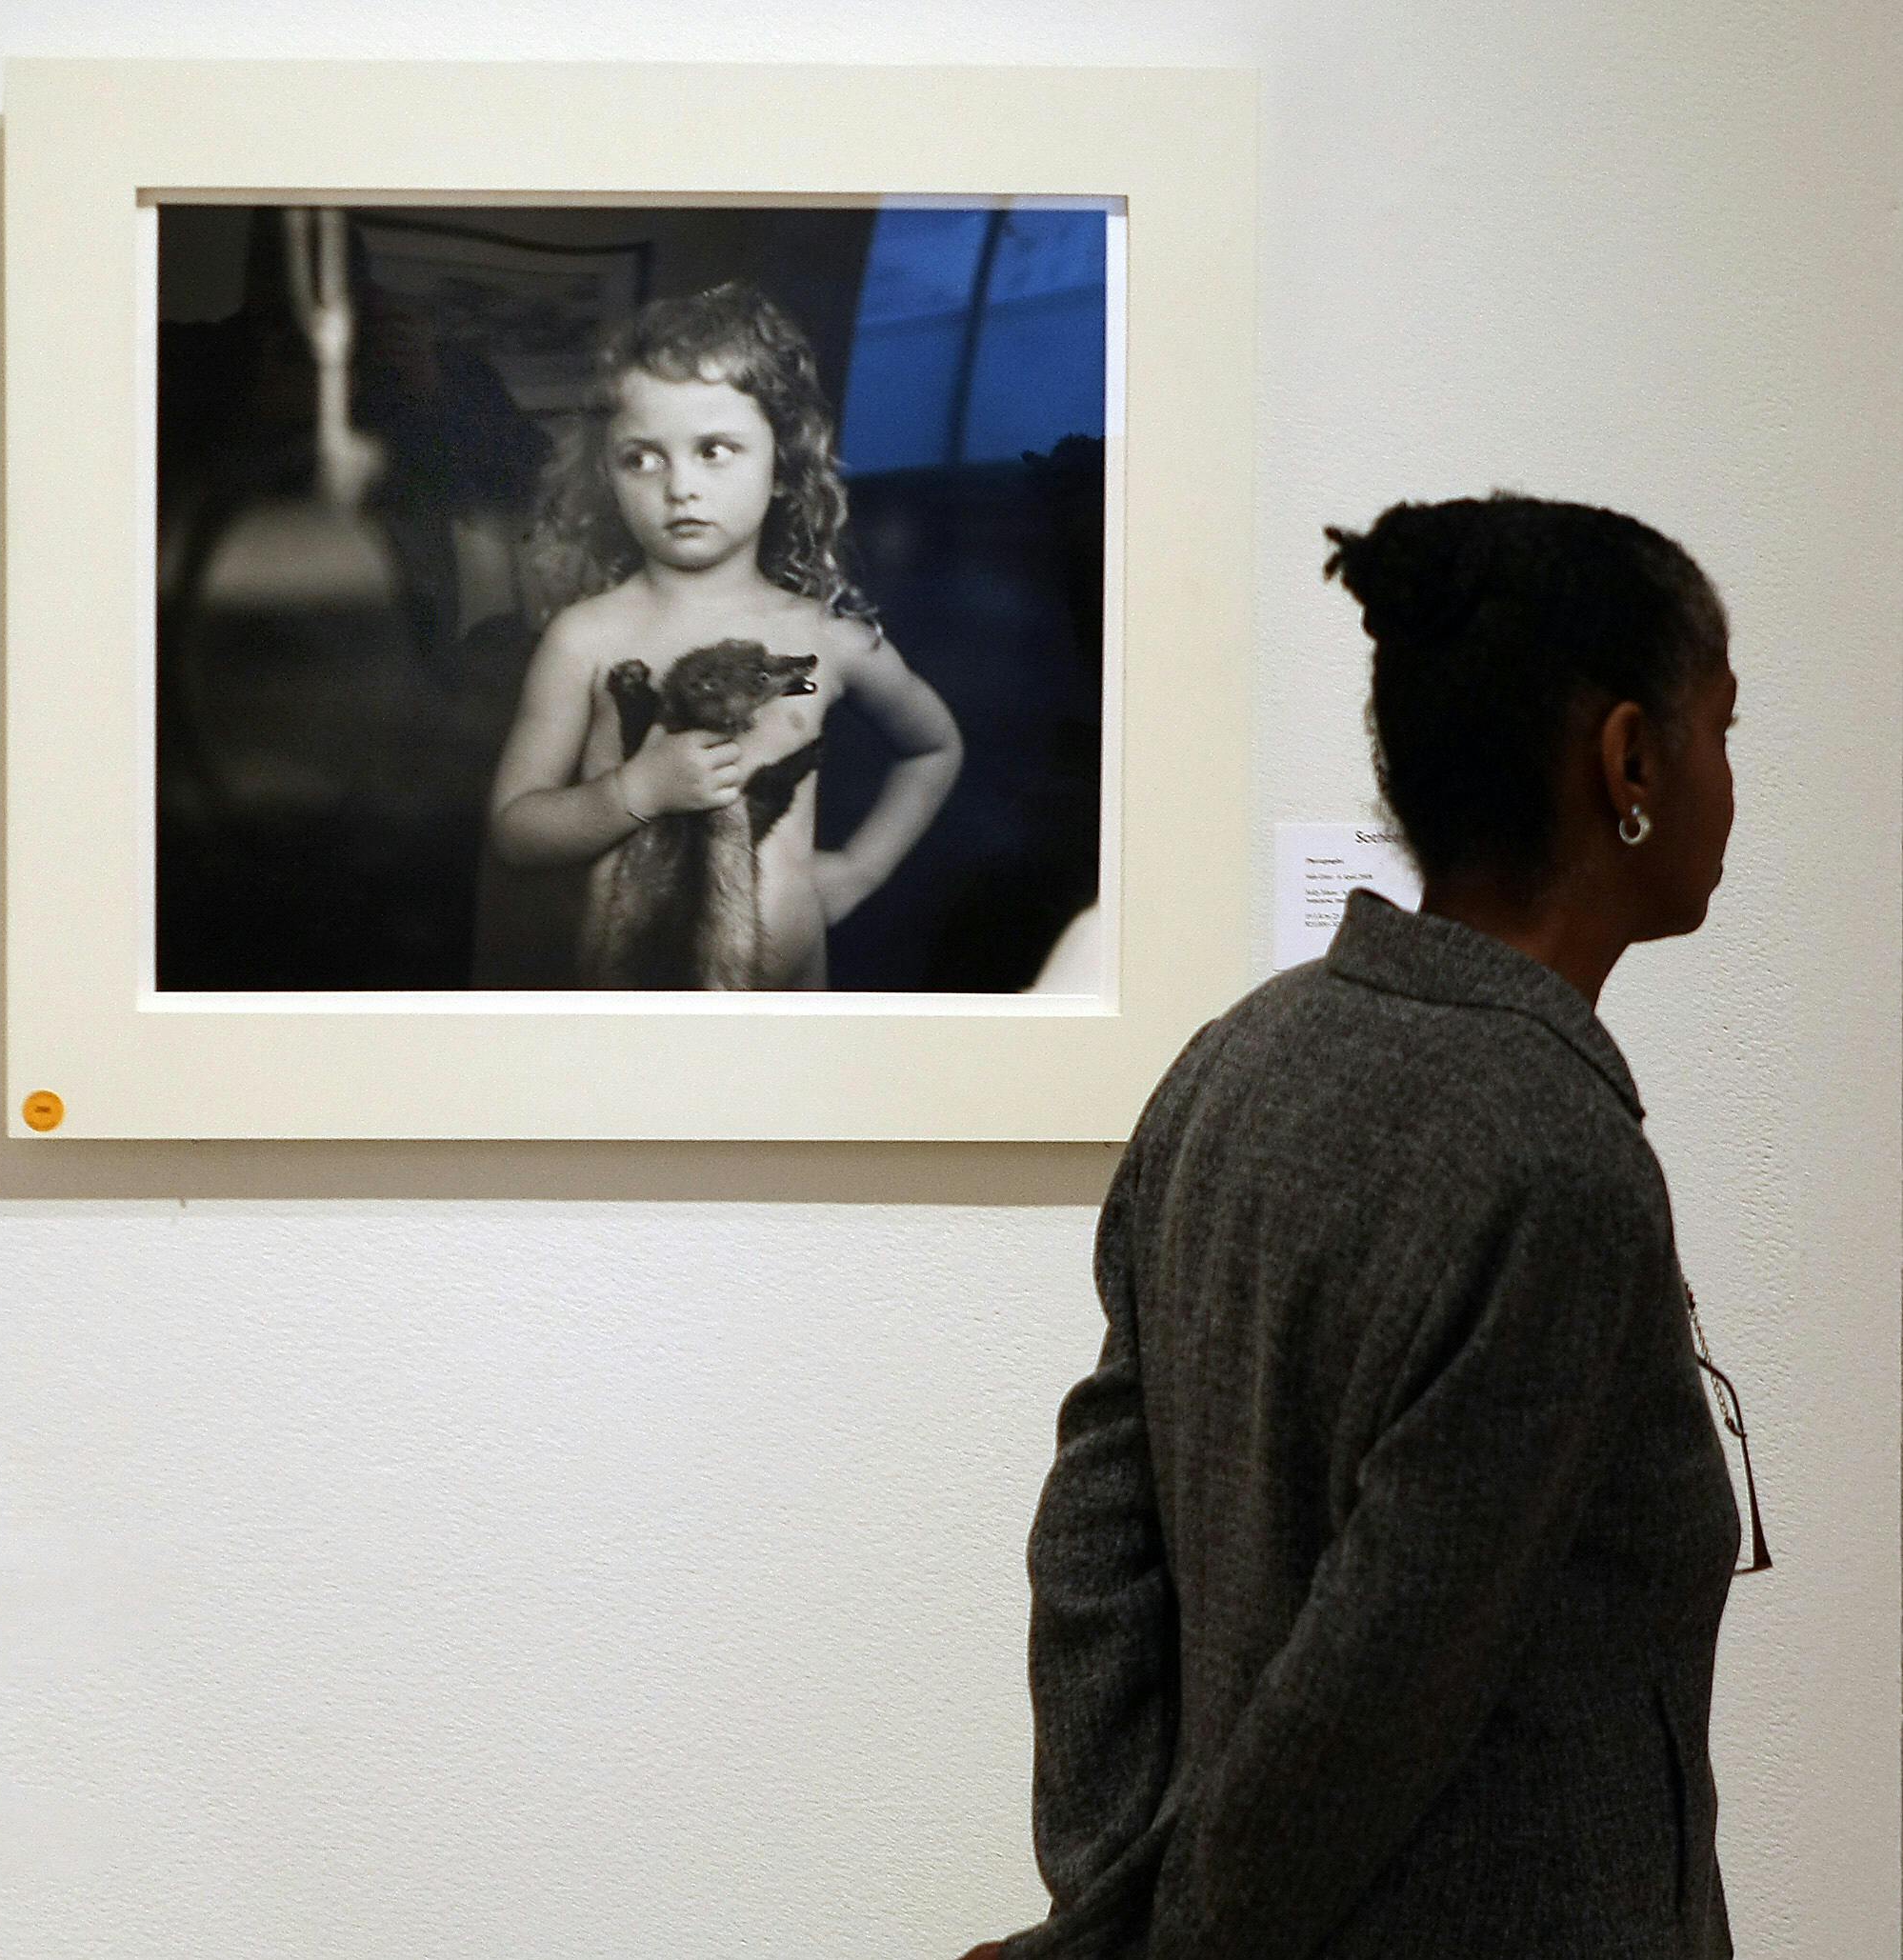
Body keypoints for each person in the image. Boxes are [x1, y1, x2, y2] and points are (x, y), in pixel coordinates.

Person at [968, 493, 1760, 1960]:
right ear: (1631, 762)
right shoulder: (1560, 1160)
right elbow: (1369, 1689)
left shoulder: (1233, 1062)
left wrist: (1104, 1901)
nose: (1731, 778)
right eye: (1720, 728)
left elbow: (1091, 1549)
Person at [485, 281, 963, 989]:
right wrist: (635, 789)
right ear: (607, 476)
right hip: (628, 1008)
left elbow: (933, 746)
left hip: (786, 1011)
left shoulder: (819, 645)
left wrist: (861, 870)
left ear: (782, 466)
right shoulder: (587, 640)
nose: (679, 486)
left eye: (714, 449)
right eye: (643, 458)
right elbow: (515, 829)